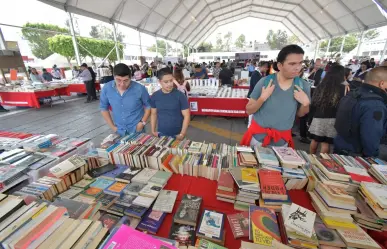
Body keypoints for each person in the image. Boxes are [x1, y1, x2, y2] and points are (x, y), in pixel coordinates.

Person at [241, 45, 311, 147]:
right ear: (280, 66)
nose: (297, 67)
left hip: (282, 141)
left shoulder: (303, 86)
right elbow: (249, 110)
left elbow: (301, 114)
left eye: (300, 63)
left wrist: (306, 104)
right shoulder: (265, 82)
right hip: (258, 139)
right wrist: (262, 98)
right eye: (292, 64)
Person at [334, 66, 387, 157]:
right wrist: (372, 159)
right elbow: (371, 137)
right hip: (357, 156)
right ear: (382, 84)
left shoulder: (352, 94)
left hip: (340, 148)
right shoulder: (375, 105)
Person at [100, 63, 151, 136]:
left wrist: (142, 123)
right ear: (114, 77)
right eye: (118, 80)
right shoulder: (107, 88)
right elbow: (103, 108)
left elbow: (148, 106)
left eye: (126, 80)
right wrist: (113, 127)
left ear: (131, 78)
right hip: (119, 130)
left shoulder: (139, 89)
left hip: (137, 129)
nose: (122, 84)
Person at [308, 64, 346, 154]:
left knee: (314, 140)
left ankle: (310, 158)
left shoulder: (321, 85)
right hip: (333, 117)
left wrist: (310, 118)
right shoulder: (342, 87)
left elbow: (313, 102)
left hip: (318, 116)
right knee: (325, 143)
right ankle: (322, 163)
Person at [150, 68, 190, 139]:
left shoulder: (180, 95)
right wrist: (153, 131)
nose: (170, 84)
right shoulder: (155, 96)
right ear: (160, 82)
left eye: (171, 81)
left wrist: (182, 134)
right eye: (166, 82)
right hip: (161, 134)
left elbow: (186, 115)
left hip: (178, 134)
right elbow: (153, 113)